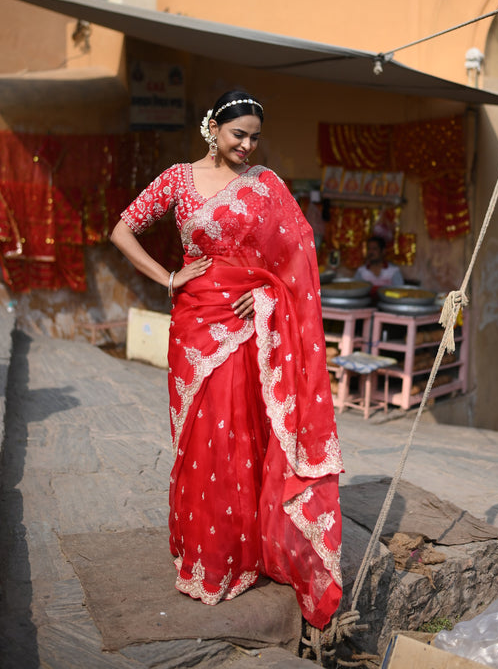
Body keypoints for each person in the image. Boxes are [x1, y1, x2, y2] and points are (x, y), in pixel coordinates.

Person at [110, 90, 343, 630]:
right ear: (211, 128)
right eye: (238, 133)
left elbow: (296, 257)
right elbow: (122, 229)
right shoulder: (176, 180)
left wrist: (265, 296)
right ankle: (205, 554)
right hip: (195, 325)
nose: (247, 145)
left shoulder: (266, 186)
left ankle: (243, 555)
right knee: (201, 440)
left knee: (241, 436)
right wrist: (167, 277)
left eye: (254, 136)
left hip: (246, 325)